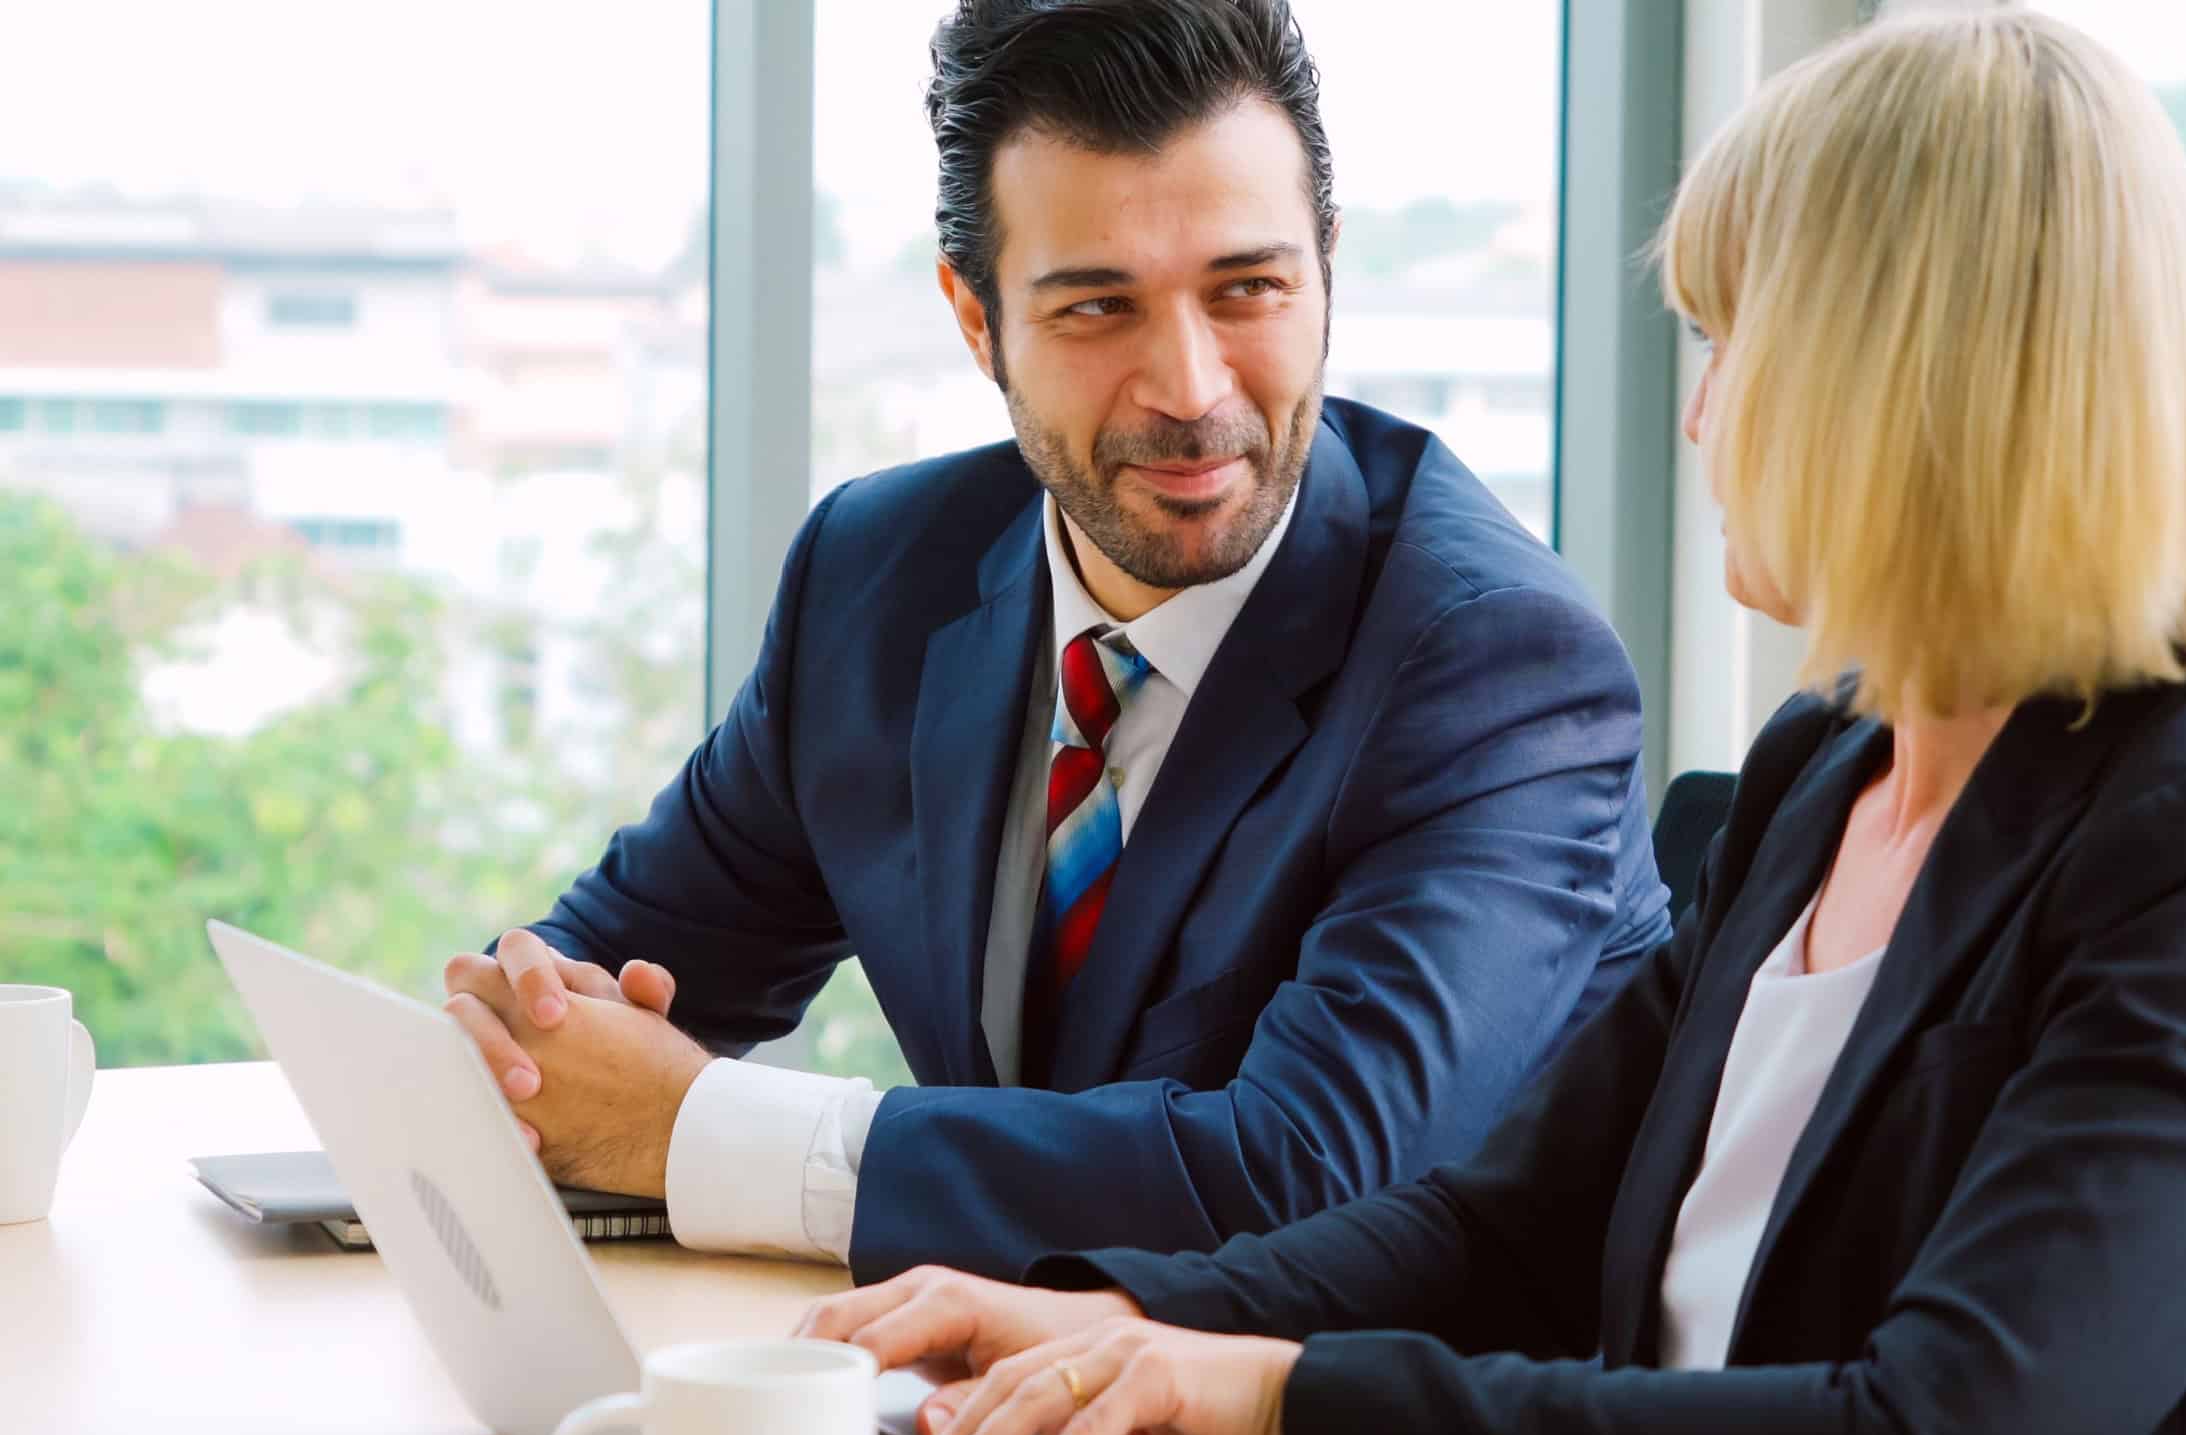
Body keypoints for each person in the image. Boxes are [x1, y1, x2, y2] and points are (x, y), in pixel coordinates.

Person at [791, 12, 2186, 1435]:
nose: (1702, 414)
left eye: (1728, 342)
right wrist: (1132, 1320)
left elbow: (1944, 1415)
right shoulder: (1828, 780)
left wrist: (1275, 1391)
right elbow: (1507, 1229)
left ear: (1903, 388)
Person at [433, 0, 1673, 1284]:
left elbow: (1297, 1176)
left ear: (1326, 269)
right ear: (977, 320)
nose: (1191, 390)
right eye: (1097, 309)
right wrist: (522, 1040)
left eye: (1247, 289)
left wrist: (700, 1132)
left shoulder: (1496, 667)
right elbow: (609, 988)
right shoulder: (875, 576)